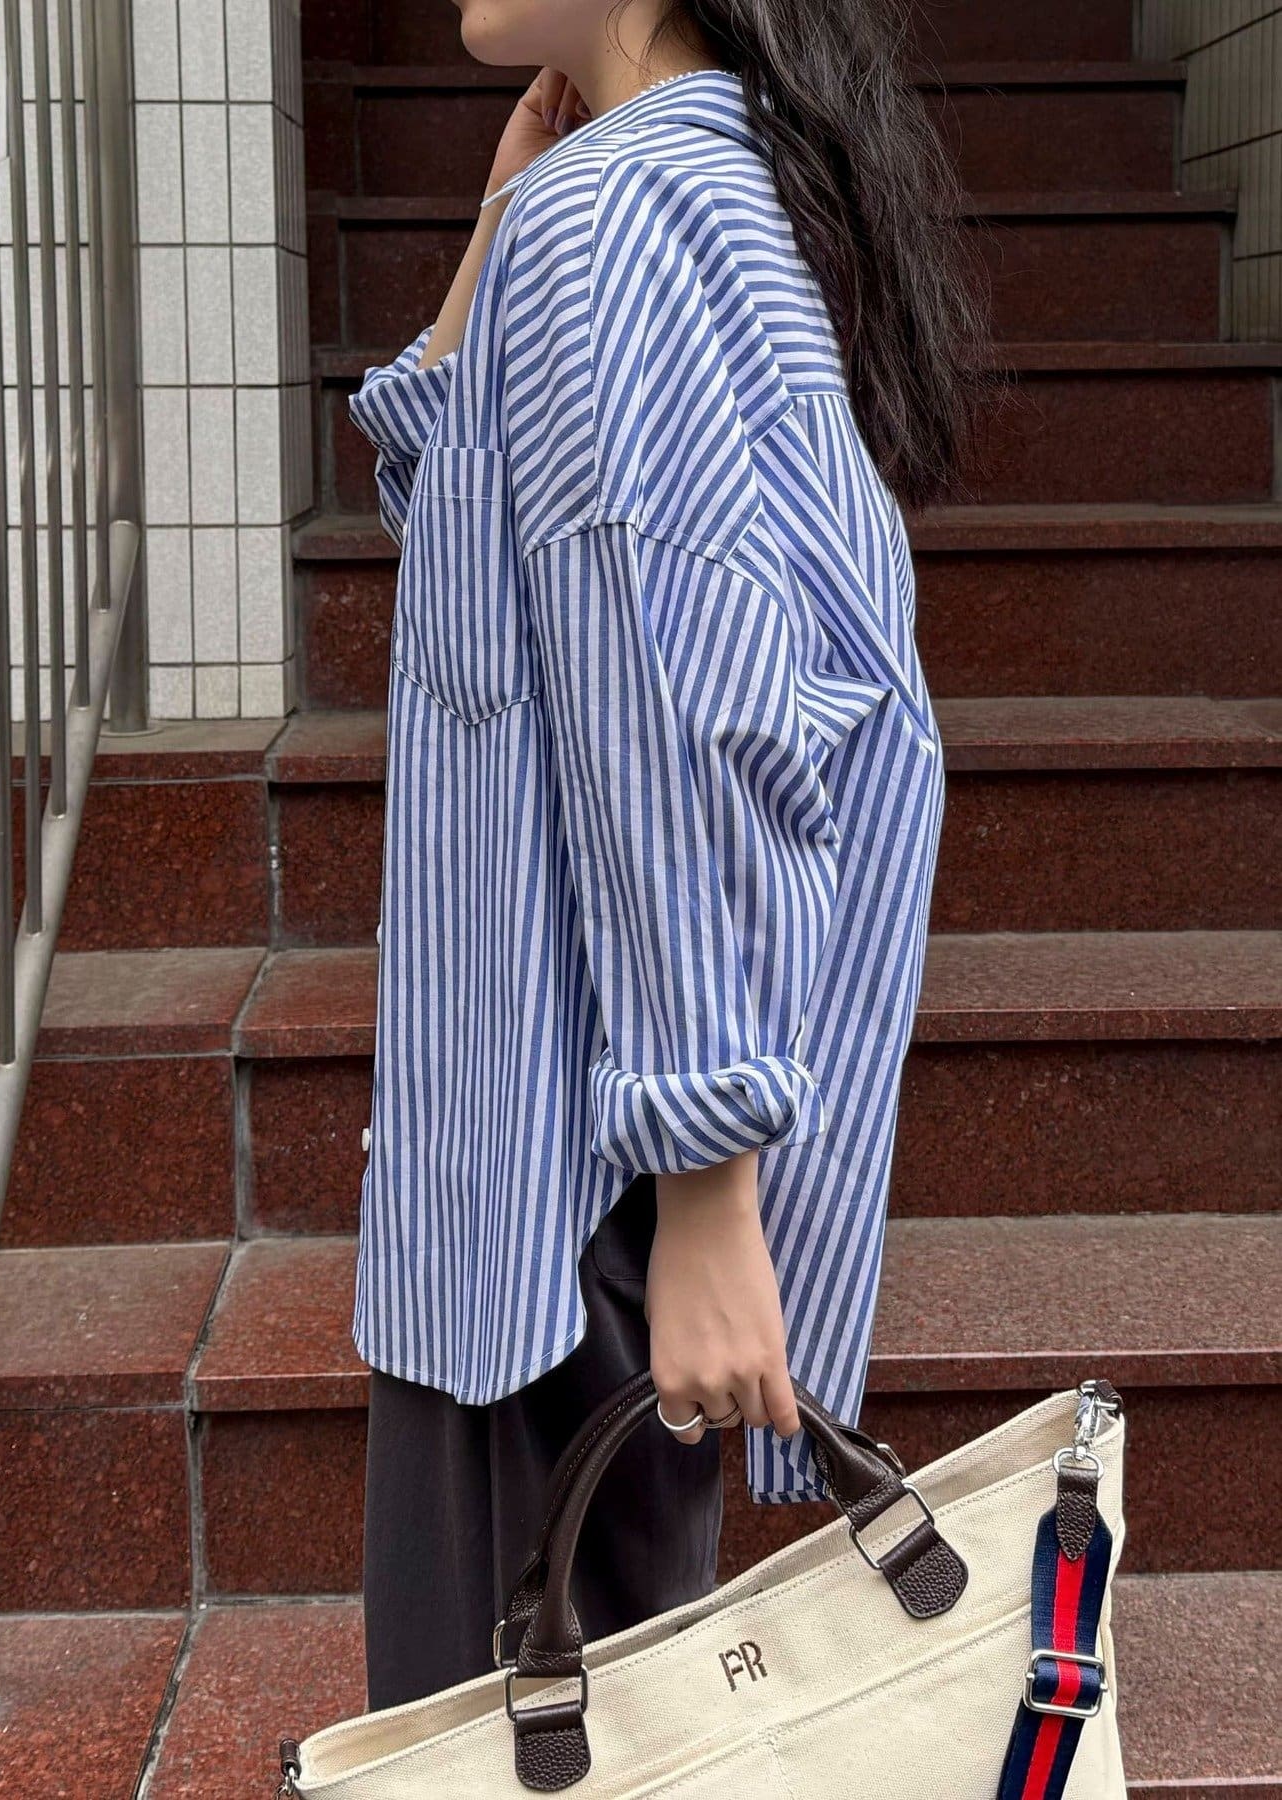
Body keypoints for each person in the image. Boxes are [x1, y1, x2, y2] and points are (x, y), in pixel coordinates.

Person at [345, 0, 989, 1712]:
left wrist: (708, 1178)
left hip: (563, 1186)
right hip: (580, 1161)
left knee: (507, 1727)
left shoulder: (618, 214)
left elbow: (679, 705)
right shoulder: (668, 190)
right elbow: (480, 549)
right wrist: (496, 233)